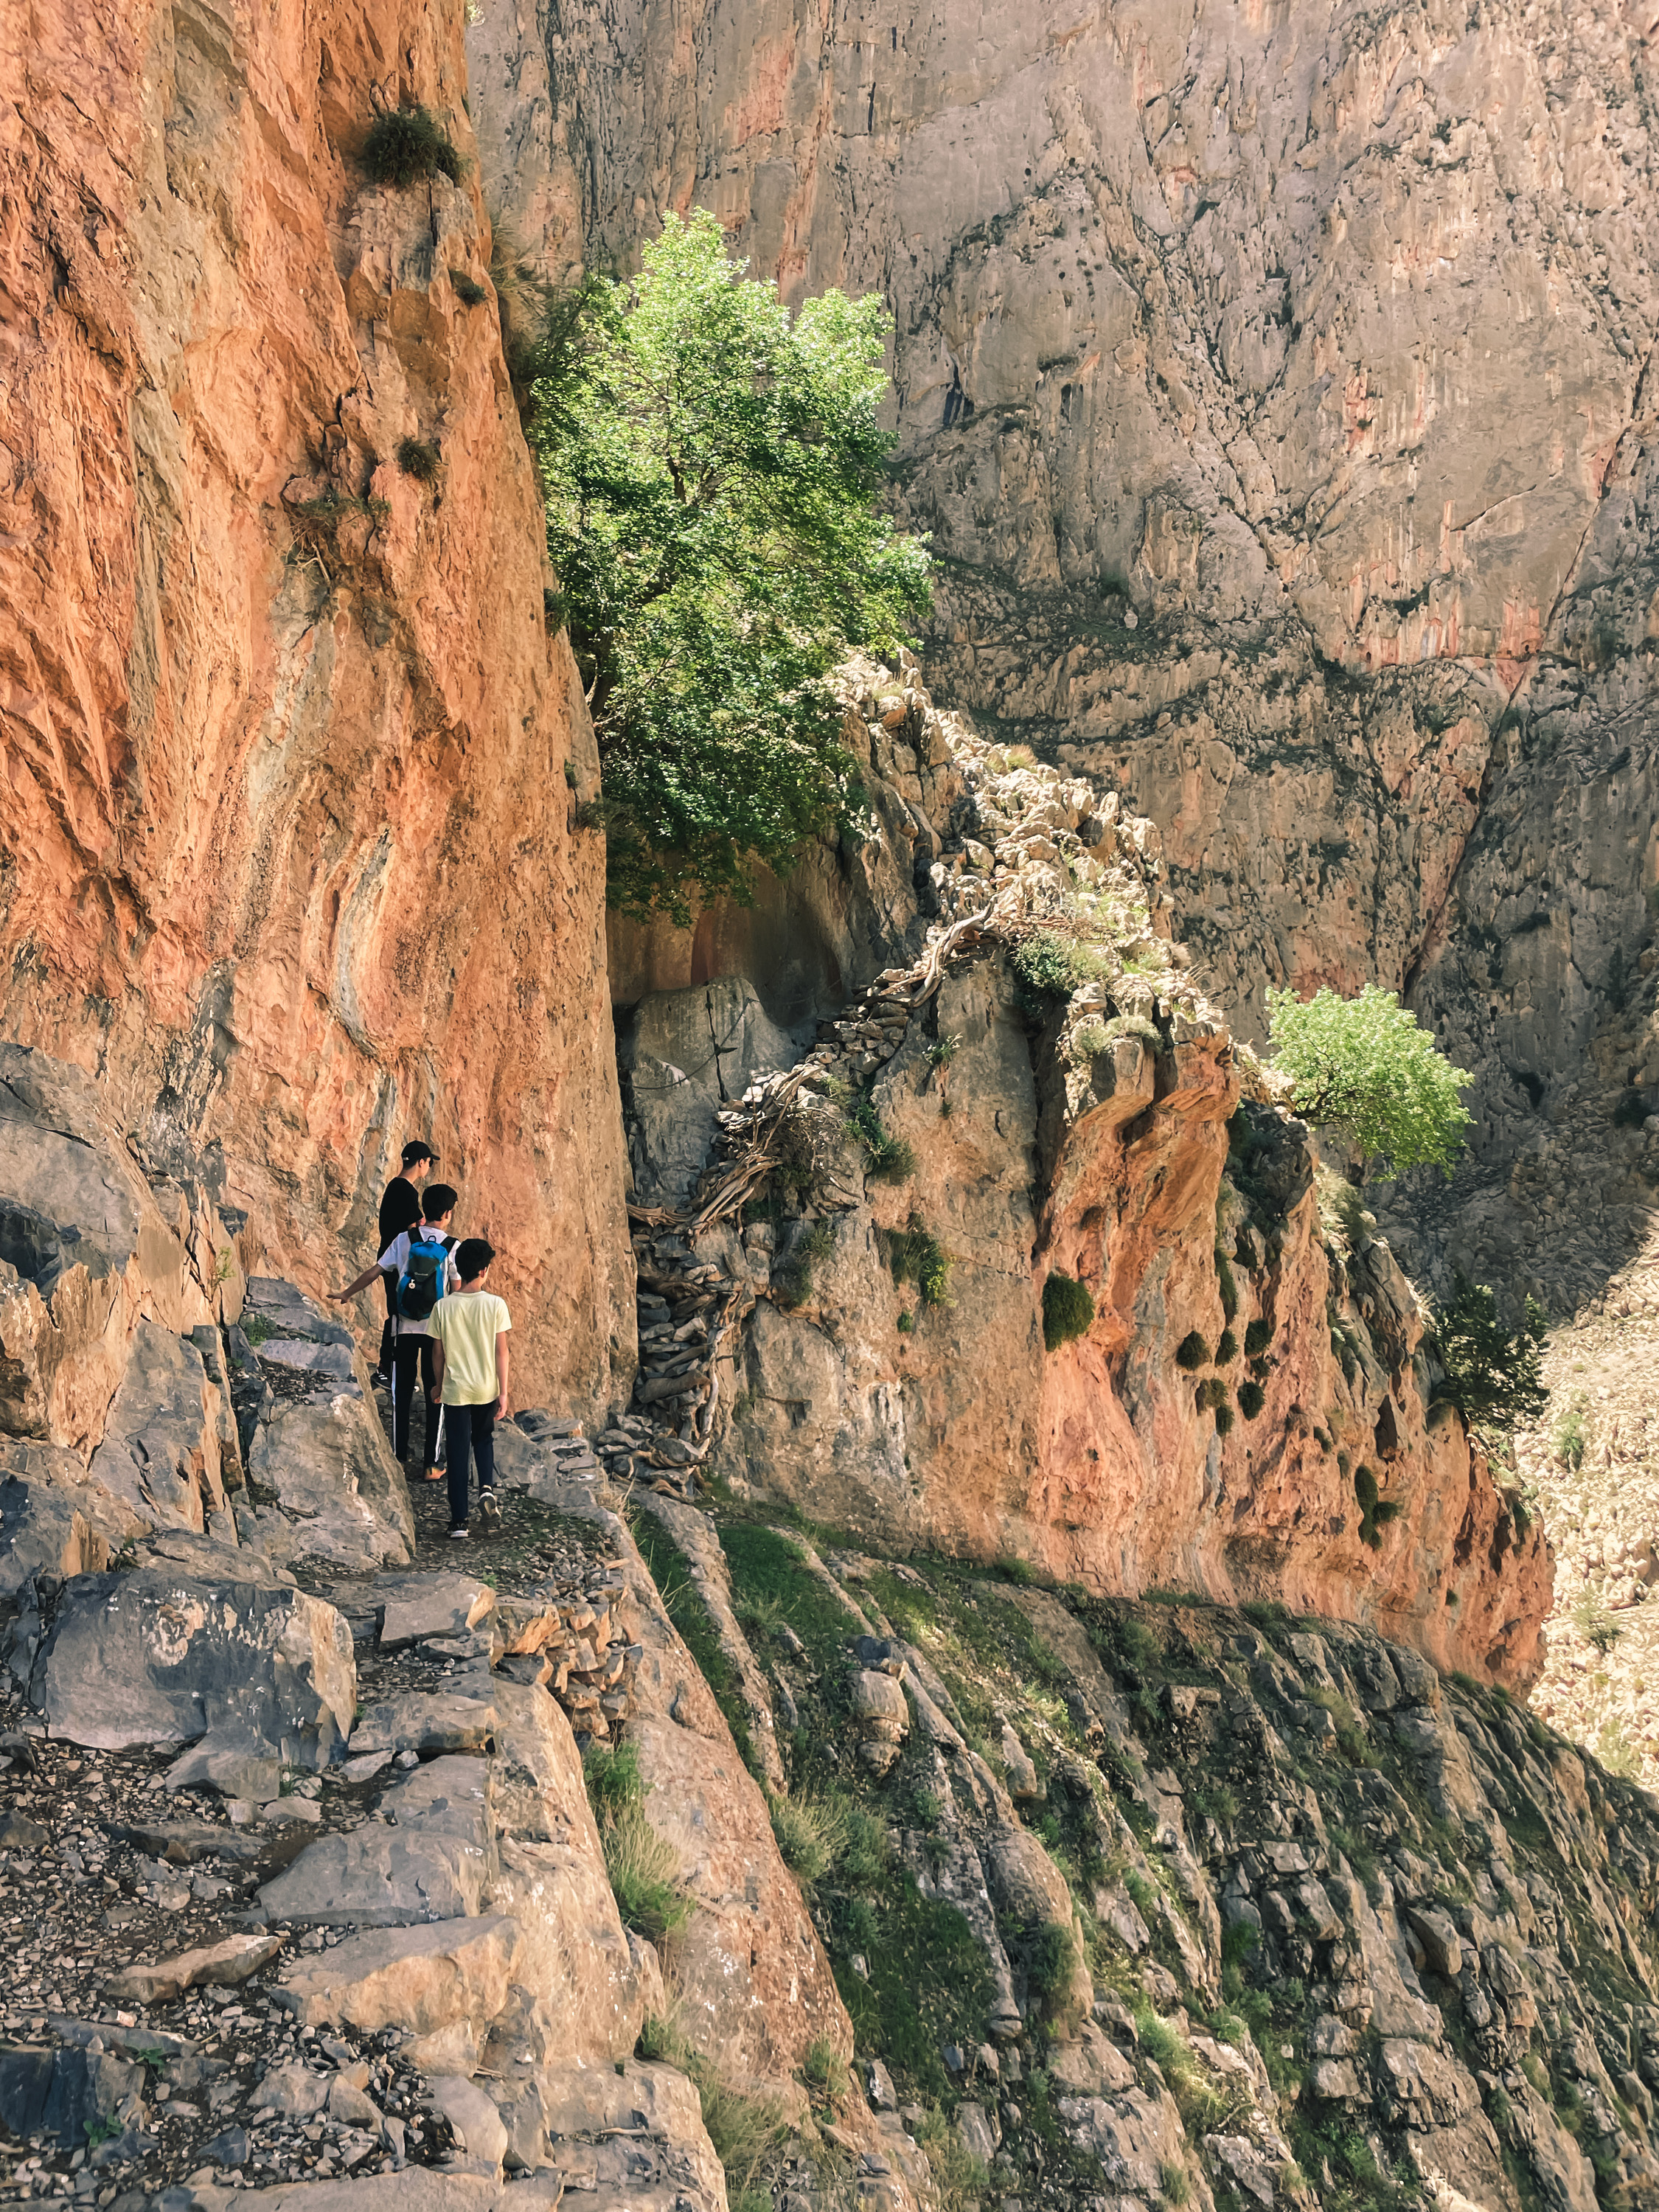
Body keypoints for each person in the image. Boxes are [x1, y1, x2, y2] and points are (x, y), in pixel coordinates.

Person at [335, 1184, 459, 1476]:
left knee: (400, 1391)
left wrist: (347, 1293)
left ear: (424, 1210)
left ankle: (398, 1458)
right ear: (448, 1213)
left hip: (402, 1326)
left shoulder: (404, 1239)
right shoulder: (453, 1246)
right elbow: (455, 1295)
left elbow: (375, 1271)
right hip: (435, 1331)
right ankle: (431, 1463)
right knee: (436, 1391)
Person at [428, 1237, 510, 1538]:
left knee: (458, 1451)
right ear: (484, 1271)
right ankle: (486, 1488)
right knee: (484, 1439)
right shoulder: (495, 1305)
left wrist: (438, 1385)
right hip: (486, 1388)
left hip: (456, 1391)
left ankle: (459, 1522)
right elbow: (502, 1351)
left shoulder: (443, 1307)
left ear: (459, 1270)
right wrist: (503, 1391)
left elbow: (437, 1353)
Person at [373, 1143, 436, 1385]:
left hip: (393, 1260)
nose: (429, 1167)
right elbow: (413, 1229)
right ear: (422, 1161)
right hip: (397, 1263)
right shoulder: (404, 1189)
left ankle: (391, 1369)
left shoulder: (397, 1188)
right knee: (399, 1315)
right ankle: (385, 1369)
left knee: (399, 1313)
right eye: (430, 1162)